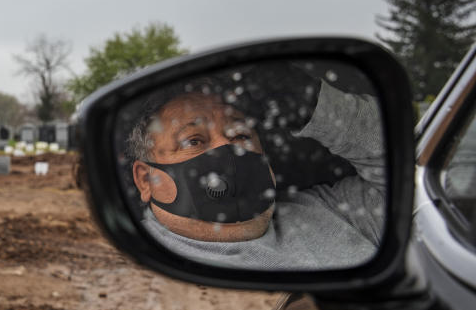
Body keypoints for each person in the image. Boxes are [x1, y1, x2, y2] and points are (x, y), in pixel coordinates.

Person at [128, 65, 386, 270]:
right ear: (145, 180)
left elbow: (404, 169)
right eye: (193, 141)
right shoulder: (137, 263)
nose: (227, 149)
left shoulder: (333, 210)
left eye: (240, 134)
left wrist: (315, 105)